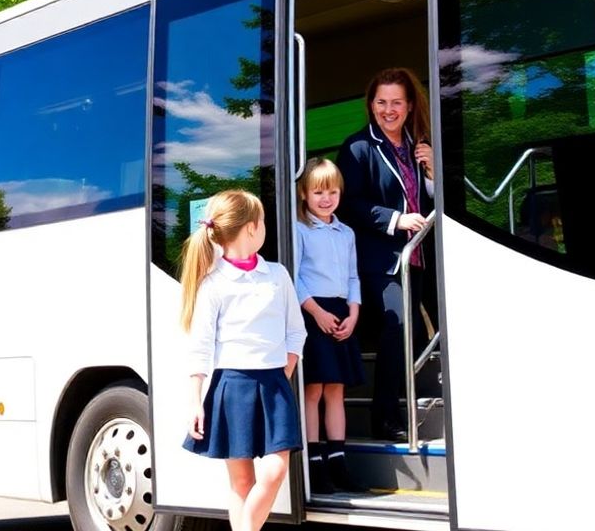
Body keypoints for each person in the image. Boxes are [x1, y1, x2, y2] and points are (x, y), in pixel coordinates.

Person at [181, 189, 307, 531]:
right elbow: (200, 346)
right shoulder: (213, 283)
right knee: (240, 483)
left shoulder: (277, 275)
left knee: (275, 470)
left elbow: (296, 332)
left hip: (275, 384)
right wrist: (195, 401)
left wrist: (285, 372)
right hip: (232, 386)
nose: (266, 226)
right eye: (264, 220)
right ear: (251, 228)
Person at [335, 67, 439, 442]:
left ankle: (398, 410)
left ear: (410, 106)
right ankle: (385, 418)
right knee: (396, 329)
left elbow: (430, 199)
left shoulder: (419, 146)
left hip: (419, 257)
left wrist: (431, 171)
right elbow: (347, 205)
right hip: (381, 260)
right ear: (371, 105)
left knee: (415, 332)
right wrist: (396, 219)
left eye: (396, 102)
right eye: (381, 102)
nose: (388, 109)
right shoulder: (358, 147)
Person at [293, 158, 368, 494]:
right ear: (304, 194)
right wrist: (316, 313)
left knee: (336, 389)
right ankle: (316, 465)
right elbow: (293, 278)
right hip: (312, 311)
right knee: (314, 390)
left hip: (341, 312)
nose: (326, 198)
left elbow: (353, 276)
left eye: (333, 192)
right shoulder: (299, 229)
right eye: (318, 192)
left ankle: (339, 461)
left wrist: (353, 313)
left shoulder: (346, 232)